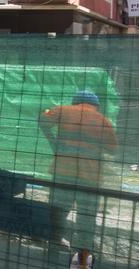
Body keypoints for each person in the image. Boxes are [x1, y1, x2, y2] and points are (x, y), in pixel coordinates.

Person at [39, 90, 119, 249]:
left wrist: (53, 142)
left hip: (63, 171)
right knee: (87, 215)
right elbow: (113, 149)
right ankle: (83, 249)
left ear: (75, 102)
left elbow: (42, 118)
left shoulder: (62, 110)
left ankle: (54, 244)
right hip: (90, 177)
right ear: (96, 105)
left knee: (58, 210)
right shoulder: (104, 121)